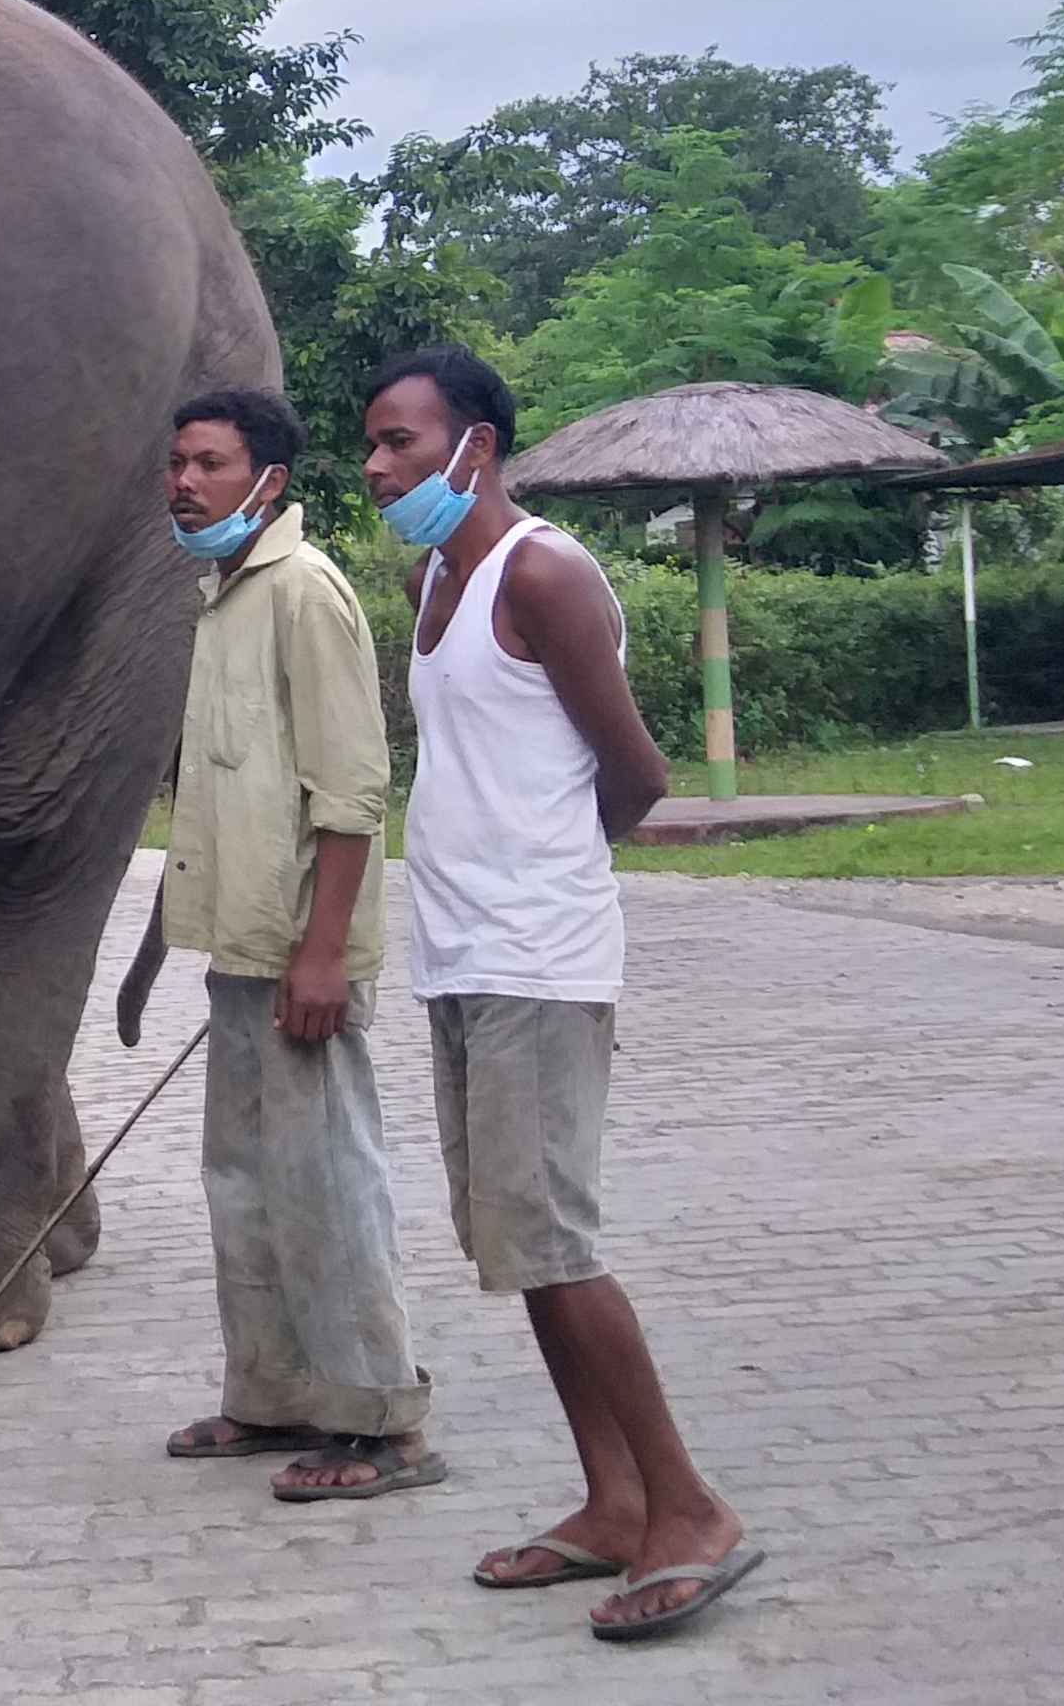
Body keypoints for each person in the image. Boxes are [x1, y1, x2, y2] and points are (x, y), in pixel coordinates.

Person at [359, 345, 763, 1644]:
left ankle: (690, 1506)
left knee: (558, 1242)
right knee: (518, 1247)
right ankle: (612, 1503)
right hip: (461, 955)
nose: (378, 467)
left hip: (538, 955)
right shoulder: (432, 579)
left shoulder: (545, 570)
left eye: (400, 443)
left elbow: (635, 772)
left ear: (474, 446)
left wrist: (545, 864)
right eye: (371, 444)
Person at [154, 388, 445, 1502]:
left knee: (326, 1178)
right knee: (243, 1177)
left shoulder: (305, 593)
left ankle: (382, 1420)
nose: (185, 482)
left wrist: (323, 952)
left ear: (267, 481)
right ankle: (272, 1394)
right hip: (237, 941)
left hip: (300, 954)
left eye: (210, 463)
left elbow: (353, 789)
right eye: (177, 462)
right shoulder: (222, 593)